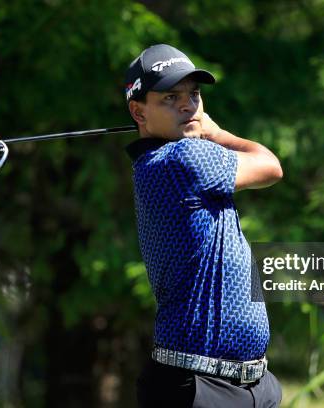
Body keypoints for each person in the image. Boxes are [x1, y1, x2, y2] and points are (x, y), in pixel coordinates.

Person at [124, 44, 284, 407]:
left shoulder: (166, 160)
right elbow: (270, 166)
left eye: (194, 94)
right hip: (198, 387)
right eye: (170, 97)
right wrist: (217, 131)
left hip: (251, 385)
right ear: (138, 111)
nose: (188, 105)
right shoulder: (182, 158)